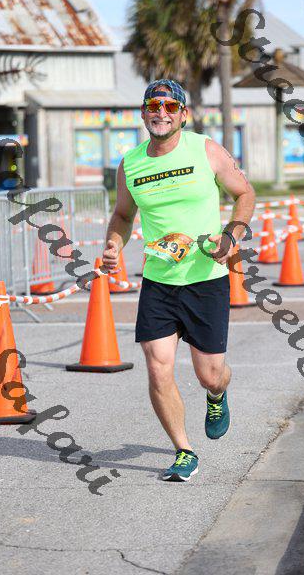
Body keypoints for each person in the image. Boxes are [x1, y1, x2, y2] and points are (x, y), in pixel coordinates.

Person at [103, 79, 255, 482]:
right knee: (158, 368)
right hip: (158, 281)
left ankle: (217, 394)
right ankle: (184, 451)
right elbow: (123, 214)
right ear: (143, 113)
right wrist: (113, 244)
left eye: (171, 106)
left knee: (209, 374)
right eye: (154, 105)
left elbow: (244, 194)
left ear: (183, 114)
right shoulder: (130, 164)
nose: (162, 112)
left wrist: (231, 236)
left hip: (206, 280)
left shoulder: (206, 150)